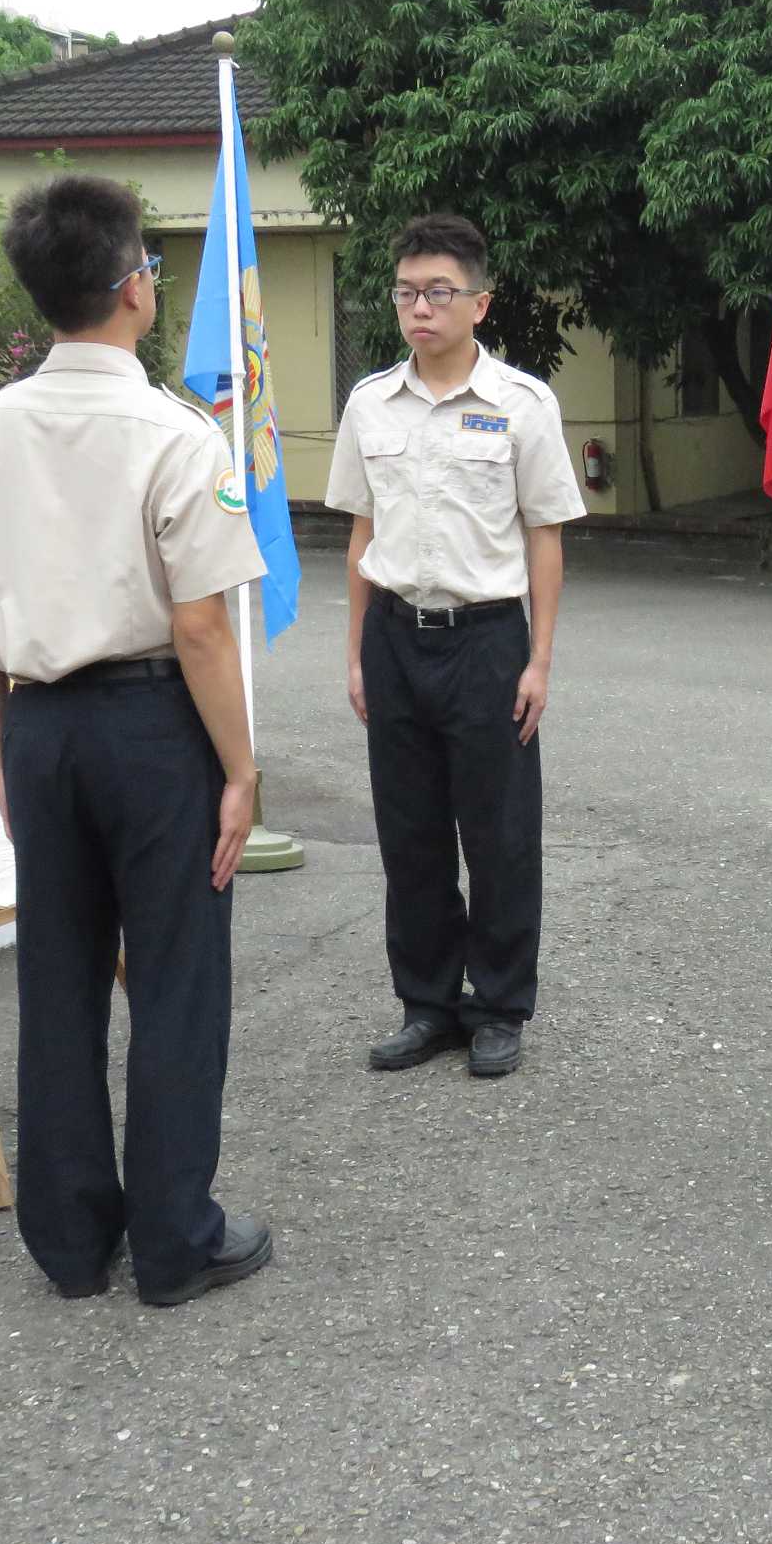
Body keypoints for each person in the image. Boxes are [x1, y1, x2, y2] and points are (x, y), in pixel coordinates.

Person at [0, 174, 273, 1307]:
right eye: (153, 272)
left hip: (40, 725)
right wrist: (239, 770)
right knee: (176, 983)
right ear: (134, 289)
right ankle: (176, 1240)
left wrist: (6, 749)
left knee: (59, 981)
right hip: (152, 729)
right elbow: (201, 627)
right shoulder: (175, 432)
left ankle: (72, 1244)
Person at [328, 213, 587, 1080]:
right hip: (397, 637)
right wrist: (357, 651)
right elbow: (362, 534)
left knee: (500, 832)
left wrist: (538, 660)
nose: (420, 309)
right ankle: (428, 1004)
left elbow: (544, 536)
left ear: (480, 301)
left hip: (487, 642)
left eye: (440, 292)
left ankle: (501, 1006)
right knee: (410, 834)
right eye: (407, 292)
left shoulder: (524, 405)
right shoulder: (369, 402)